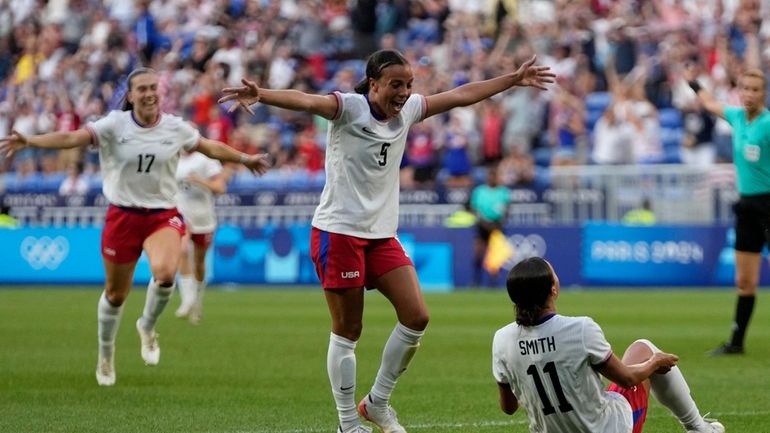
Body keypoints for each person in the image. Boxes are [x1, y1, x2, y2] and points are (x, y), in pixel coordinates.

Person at [220, 49, 554, 433]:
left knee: (416, 316)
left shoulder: (409, 109)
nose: (404, 92)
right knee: (348, 330)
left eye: (409, 84)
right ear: (374, 84)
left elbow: (462, 94)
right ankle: (348, 422)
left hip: (381, 235)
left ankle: (377, 402)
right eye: (396, 84)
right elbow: (307, 100)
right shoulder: (348, 108)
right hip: (339, 232)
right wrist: (261, 93)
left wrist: (511, 79)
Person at [0, 68, 270, 387]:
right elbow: (73, 137)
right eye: (142, 88)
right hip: (123, 216)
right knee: (115, 295)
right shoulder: (115, 125)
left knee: (166, 273)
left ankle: (147, 326)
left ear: (161, 91)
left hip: (161, 215)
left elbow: (209, 147)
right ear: (130, 95)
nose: (149, 93)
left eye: (153, 87)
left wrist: (244, 158)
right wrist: (30, 140)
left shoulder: (175, 127)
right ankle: (106, 353)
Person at [493, 257, 725, 433]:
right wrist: (655, 363)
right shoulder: (580, 328)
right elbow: (627, 379)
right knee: (644, 349)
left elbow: (509, 407)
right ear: (553, 289)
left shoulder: (502, 339)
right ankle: (699, 428)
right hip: (606, 428)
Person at [684, 66, 770, 356]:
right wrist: (694, 83)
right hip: (747, 206)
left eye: (755, 89)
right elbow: (709, 103)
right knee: (745, 281)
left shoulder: (768, 124)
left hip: (768, 204)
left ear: (764, 93)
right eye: (745, 88)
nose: (749, 94)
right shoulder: (736, 117)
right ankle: (736, 342)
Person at [174, 149, 228, 324]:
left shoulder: (206, 160)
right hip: (182, 214)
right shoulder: (172, 158)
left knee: (198, 263)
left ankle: (196, 302)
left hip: (203, 219)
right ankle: (186, 300)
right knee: (182, 251)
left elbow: (220, 188)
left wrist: (199, 180)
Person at [470, 164, 511, 286]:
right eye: (491, 175)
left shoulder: (503, 192)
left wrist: (497, 223)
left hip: (496, 226)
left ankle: (493, 282)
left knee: (495, 255)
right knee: (478, 253)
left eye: (495, 176)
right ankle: (476, 280)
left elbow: (506, 210)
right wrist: (484, 222)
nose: (492, 178)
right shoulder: (479, 191)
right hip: (482, 225)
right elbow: (474, 209)